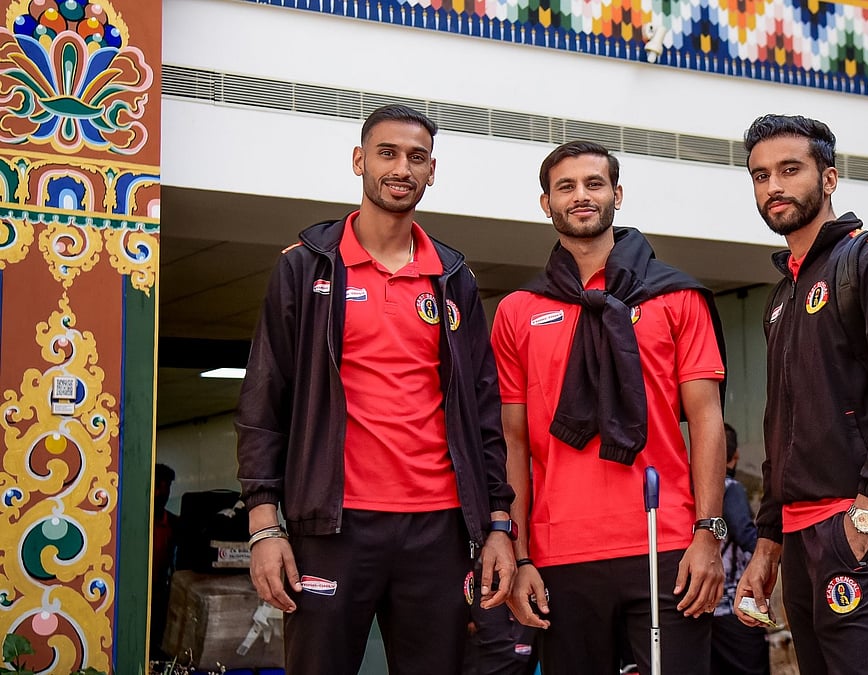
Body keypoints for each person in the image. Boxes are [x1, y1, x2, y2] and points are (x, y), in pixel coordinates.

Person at [235, 103, 516, 675]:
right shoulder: (306, 268)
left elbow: (483, 415)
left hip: (438, 529)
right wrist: (264, 525)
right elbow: (264, 405)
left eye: (417, 158)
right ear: (360, 160)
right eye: (387, 153)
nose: (401, 168)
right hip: (334, 524)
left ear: (432, 171)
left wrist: (497, 525)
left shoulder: (453, 278)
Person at [491, 140, 728, 675]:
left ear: (617, 195)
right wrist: (520, 552)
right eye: (566, 187)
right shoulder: (516, 311)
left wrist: (708, 532)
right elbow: (513, 441)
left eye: (594, 184)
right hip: (559, 553)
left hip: (665, 543)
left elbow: (708, 422)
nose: (581, 196)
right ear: (545, 203)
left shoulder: (676, 297)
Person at [733, 114, 868, 675]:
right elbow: (783, 428)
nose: (773, 186)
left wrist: (867, 511)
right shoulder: (783, 294)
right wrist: (767, 543)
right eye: (759, 175)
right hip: (800, 533)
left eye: (789, 170)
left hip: (864, 523)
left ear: (829, 178)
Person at [710, 425, 769, 675]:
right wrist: (770, 554)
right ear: (734, 457)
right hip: (735, 607)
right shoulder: (729, 487)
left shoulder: (693, 492)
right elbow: (744, 532)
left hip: (707, 609)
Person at [150, 463, 179, 660]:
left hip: (162, 592)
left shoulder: (175, 524)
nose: (163, 492)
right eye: (159, 486)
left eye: (167, 486)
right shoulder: (134, 522)